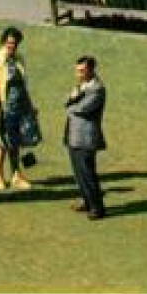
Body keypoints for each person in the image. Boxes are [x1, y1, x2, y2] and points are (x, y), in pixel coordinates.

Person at [0, 27, 39, 193]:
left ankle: (16, 175)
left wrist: (30, 106)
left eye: (15, 43)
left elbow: (23, 84)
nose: (12, 46)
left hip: (20, 106)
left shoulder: (18, 59)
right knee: (2, 142)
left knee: (16, 141)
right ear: (3, 41)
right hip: (5, 107)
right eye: (9, 42)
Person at [63, 55, 108, 221]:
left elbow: (80, 109)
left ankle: (97, 207)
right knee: (79, 173)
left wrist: (71, 100)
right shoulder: (83, 85)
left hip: (85, 138)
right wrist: (71, 100)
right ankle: (87, 201)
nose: (78, 74)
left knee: (88, 174)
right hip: (74, 136)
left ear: (91, 69)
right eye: (77, 70)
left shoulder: (97, 89)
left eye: (82, 71)